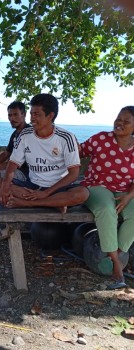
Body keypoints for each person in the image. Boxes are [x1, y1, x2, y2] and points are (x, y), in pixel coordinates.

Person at [0, 93, 89, 212]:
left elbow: (74, 174)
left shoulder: (66, 137)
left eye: (37, 114)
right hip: (32, 185)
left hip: (58, 187)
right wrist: (5, 185)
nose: (31, 119)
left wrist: (46, 193)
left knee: (82, 193)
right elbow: (13, 164)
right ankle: (53, 203)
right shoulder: (25, 135)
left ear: (50, 116)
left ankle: (28, 203)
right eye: (31, 114)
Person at [80, 106, 134, 289]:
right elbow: (76, 153)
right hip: (96, 186)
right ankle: (117, 266)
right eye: (118, 119)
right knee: (106, 210)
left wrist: (128, 196)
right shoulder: (101, 138)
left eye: (126, 121)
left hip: (124, 190)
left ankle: (116, 254)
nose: (120, 123)